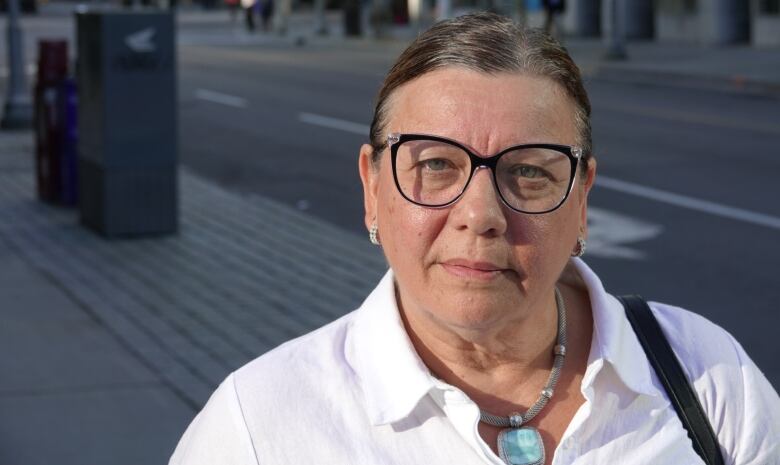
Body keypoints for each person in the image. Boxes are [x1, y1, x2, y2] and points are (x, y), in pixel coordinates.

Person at [169, 12, 780, 465]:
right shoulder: (259, 425)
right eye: (435, 165)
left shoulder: (704, 373)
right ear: (372, 188)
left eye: (531, 171)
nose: (480, 213)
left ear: (583, 197)